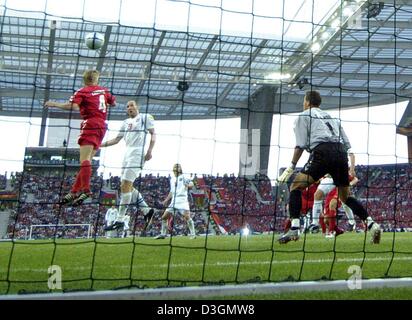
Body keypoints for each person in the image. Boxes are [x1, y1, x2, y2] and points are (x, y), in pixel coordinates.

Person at [277, 90, 381, 244]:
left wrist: (291, 166)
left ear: (306, 102)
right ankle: (372, 224)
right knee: (345, 197)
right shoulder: (333, 118)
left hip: (322, 153)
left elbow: (300, 145)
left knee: (296, 186)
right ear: (319, 103)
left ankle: (294, 228)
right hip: (340, 153)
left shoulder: (303, 116)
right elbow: (347, 145)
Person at [44, 70, 116, 206]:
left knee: (84, 160)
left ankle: (86, 190)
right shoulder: (104, 91)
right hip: (102, 126)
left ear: (84, 80)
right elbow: (113, 103)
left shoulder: (82, 91)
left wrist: (55, 104)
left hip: (90, 123)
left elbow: (74, 107)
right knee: (87, 160)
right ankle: (74, 191)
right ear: (96, 79)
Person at [101, 100, 156, 232]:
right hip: (127, 153)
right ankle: (147, 211)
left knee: (126, 185)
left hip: (137, 153)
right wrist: (99, 145)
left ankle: (120, 220)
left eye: (132, 105)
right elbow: (116, 140)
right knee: (125, 187)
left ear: (137, 107)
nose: (129, 108)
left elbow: (153, 134)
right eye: (127, 106)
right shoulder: (125, 122)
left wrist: (149, 151)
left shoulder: (145, 117)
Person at [310, 153, 357, 233]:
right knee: (326, 219)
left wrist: (352, 171)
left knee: (340, 203)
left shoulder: (343, 168)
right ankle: (315, 223)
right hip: (328, 183)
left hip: (339, 183)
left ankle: (349, 223)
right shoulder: (324, 170)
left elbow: (355, 177)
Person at [155, 164, 196, 239]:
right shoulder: (172, 179)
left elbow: (191, 184)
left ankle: (193, 234)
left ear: (180, 169)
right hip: (174, 201)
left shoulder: (184, 177)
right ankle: (163, 234)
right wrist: (166, 200)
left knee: (187, 217)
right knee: (164, 217)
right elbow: (171, 191)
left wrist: (188, 185)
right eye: (174, 167)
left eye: (178, 167)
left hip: (182, 200)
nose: (176, 168)